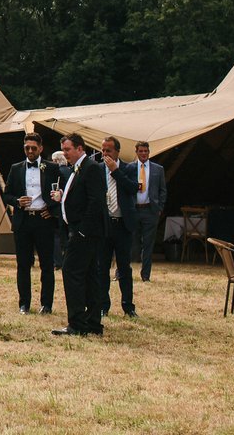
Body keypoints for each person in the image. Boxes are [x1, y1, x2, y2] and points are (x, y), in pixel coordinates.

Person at [53, 133, 107, 336]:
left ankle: (77, 323)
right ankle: (93, 323)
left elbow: (96, 202)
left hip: (84, 232)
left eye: (67, 150)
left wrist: (82, 231)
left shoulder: (90, 168)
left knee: (71, 272)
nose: (65, 154)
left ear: (79, 148)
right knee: (90, 276)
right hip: (79, 230)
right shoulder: (79, 168)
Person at [3, 133, 59, 314]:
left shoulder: (51, 168)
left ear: (41, 148)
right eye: (27, 148)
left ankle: (46, 304)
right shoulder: (16, 168)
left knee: (47, 264)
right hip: (24, 220)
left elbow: (61, 193)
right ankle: (24, 303)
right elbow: (7, 194)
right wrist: (17, 201)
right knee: (23, 264)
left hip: (43, 220)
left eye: (33, 148)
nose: (30, 151)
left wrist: (51, 210)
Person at [97, 137, 139, 319]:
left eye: (109, 151)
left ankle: (128, 306)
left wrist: (116, 171)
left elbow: (132, 189)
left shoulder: (129, 168)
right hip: (104, 225)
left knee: (124, 267)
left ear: (117, 152)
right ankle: (102, 305)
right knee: (102, 267)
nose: (106, 154)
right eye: (103, 151)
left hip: (123, 224)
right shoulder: (97, 169)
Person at [131, 141, 167, 282]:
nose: (144, 153)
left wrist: (159, 208)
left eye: (146, 151)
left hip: (150, 210)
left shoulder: (158, 169)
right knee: (128, 241)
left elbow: (162, 190)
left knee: (148, 244)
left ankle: (145, 275)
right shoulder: (130, 168)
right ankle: (121, 272)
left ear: (149, 152)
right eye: (141, 151)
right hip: (134, 210)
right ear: (137, 152)